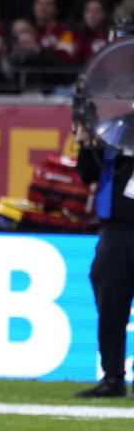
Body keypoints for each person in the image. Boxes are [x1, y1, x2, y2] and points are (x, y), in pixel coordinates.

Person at [73, 121, 134, 398]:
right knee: (110, 306)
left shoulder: (114, 129)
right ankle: (112, 377)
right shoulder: (113, 129)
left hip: (118, 231)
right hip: (115, 230)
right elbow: (88, 174)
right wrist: (86, 143)